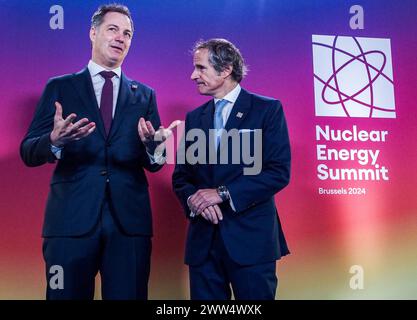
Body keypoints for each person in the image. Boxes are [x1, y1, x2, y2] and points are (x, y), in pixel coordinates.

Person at [20, 4, 178, 300]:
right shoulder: (60, 87)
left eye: (128, 34)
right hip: (70, 220)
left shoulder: (144, 94)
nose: (121, 38)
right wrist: (54, 140)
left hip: (128, 224)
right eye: (113, 29)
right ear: (93, 33)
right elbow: (28, 151)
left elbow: (154, 162)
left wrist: (155, 148)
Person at [172, 39, 291, 300]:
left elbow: (277, 171)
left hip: (251, 242)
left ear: (225, 69)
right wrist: (194, 199)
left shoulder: (267, 110)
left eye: (200, 68)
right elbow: (182, 176)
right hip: (203, 245)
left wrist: (222, 193)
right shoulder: (195, 118)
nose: (193, 75)